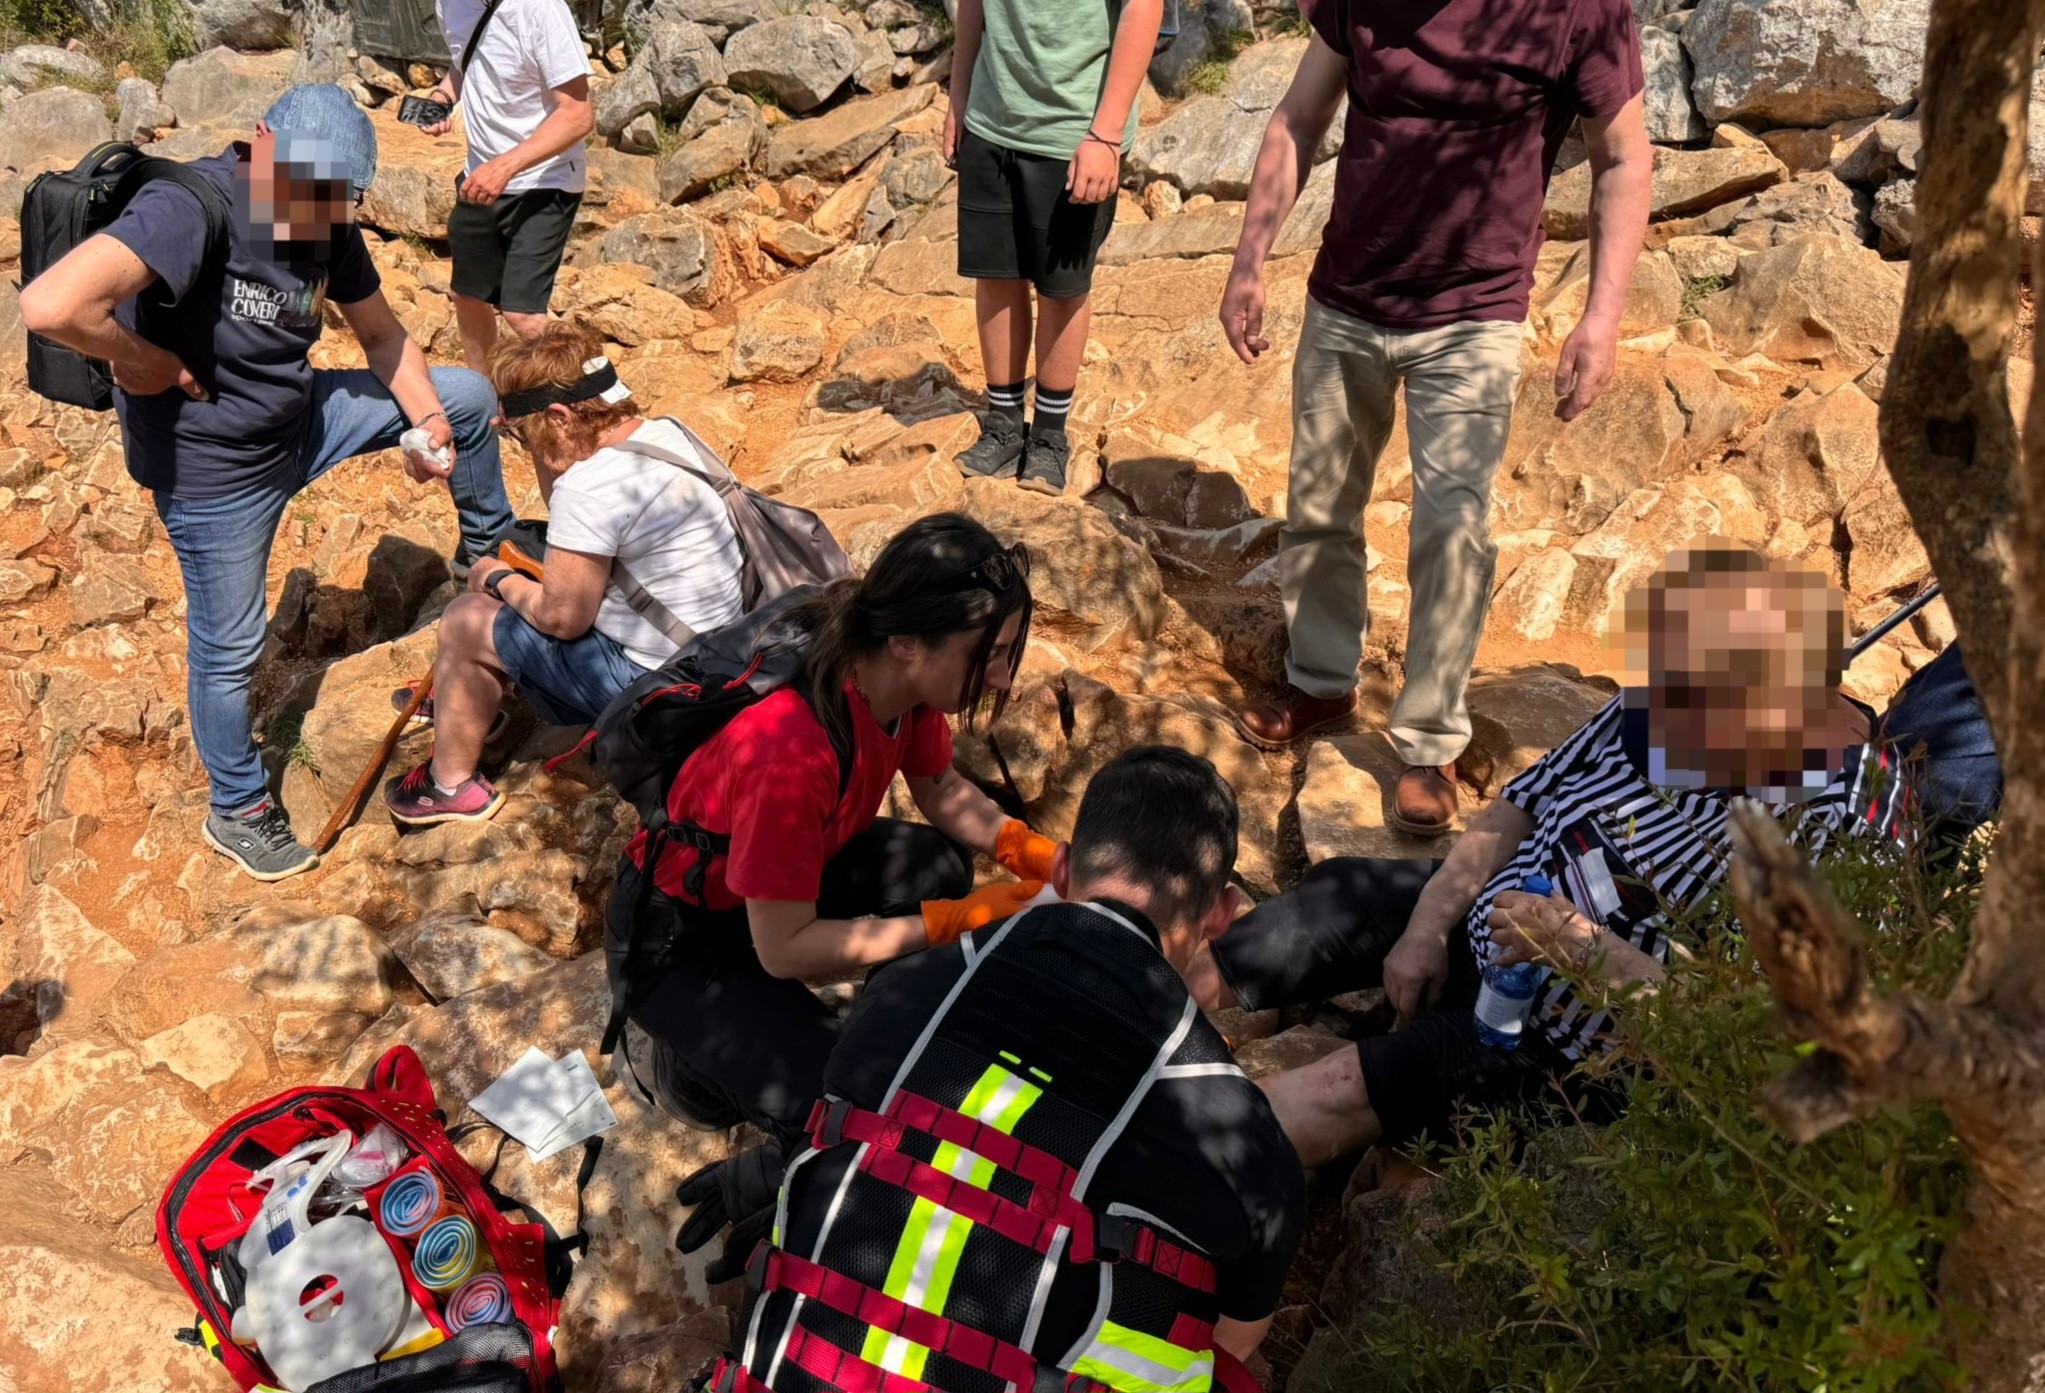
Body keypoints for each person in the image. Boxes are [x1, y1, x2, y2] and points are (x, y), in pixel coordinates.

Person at [1185, 545, 1911, 1166]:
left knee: (1346, 1086)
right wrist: (1428, 925)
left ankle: (1174, 1164)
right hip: (1497, 924)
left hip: (1569, 1045)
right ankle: (1145, 1010)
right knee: (1338, 899)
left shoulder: (1843, 832)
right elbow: (1518, 807)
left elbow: (1750, 1035)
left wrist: (1580, 949)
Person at [680, 747, 1305, 1393]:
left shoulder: (905, 989)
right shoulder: (1237, 1129)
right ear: (1222, 913)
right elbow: (1233, 1334)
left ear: (1060, 867)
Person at [18, 85, 515, 883]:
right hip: (216, 471)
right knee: (230, 649)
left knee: (466, 396)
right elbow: (49, 305)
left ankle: (488, 559)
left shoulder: (324, 219)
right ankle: (238, 807)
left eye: (335, 198)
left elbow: (383, 336)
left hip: (301, 421)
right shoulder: (192, 208)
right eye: (306, 189)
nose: (318, 211)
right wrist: (144, 363)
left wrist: (426, 424)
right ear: (260, 143)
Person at [1220, 0, 1653, 836]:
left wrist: (1600, 318)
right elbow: (1299, 116)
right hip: (1347, 297)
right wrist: (1248, 261)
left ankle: (1427, 742)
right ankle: (1320, 682)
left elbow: (1623, 157)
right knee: (1319, 505)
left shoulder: (1577, 9)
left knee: (1452, 528)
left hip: (1474, 314)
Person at [607, 513, 1064, 1142]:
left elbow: (940, 788)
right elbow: (785, 949)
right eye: (989, 654)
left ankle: (882, 1026)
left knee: (934, 864)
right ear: (908, 641)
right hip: (682, 937)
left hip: (772, 890)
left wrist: (1030, 851)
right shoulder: (790, 752)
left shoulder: (901, 690)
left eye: (1008, 653)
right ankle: (692, 1069)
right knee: (839, 1108)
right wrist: (951, 922)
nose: (1004, 678)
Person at [382, 323, 746, 825]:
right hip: (722, 654)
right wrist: (538, 438)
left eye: (521, 435)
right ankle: (466, 699)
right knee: (528, 548)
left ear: (559, 417)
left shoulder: (590, 488)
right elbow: (569, 515)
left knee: (467, 617)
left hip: (660, 689)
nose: (523, 446)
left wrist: (495, 578)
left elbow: (562, 619)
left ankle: (449, 785)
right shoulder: (668, 433)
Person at [945, 0, 1164, 495]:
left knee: (1062, 288)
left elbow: (1144, 6)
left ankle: (1048, 435)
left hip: (1075, 132)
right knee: (996, 274)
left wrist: (1105, 136)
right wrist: (959, 98)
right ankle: (1003, 424)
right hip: (990, 119)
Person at [419, 0, 593, 370]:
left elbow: (577, 115)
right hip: (481, 177)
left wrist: (505, 167)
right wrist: (442, 98)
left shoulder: (540, 9)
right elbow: (465, 63)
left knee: (523, 314)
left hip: (544, 179)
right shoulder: (449, 4)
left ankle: (596, 393)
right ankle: (484, 394)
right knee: (468, 297)